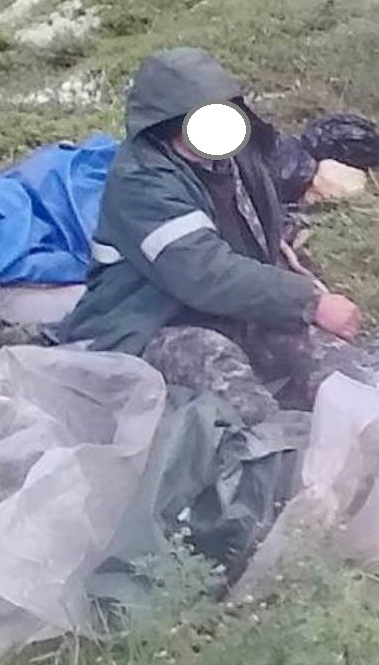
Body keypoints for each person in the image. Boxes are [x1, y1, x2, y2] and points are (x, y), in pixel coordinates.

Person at [60, 47, 361, 422]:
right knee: (221, 374)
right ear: (169, 124)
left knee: (316, 350)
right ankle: (278, 448)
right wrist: (309, 301)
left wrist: (299, 299)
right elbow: (204, 272)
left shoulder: (231, 156)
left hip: (219, 309)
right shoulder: (141, 183)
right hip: (143, 322)